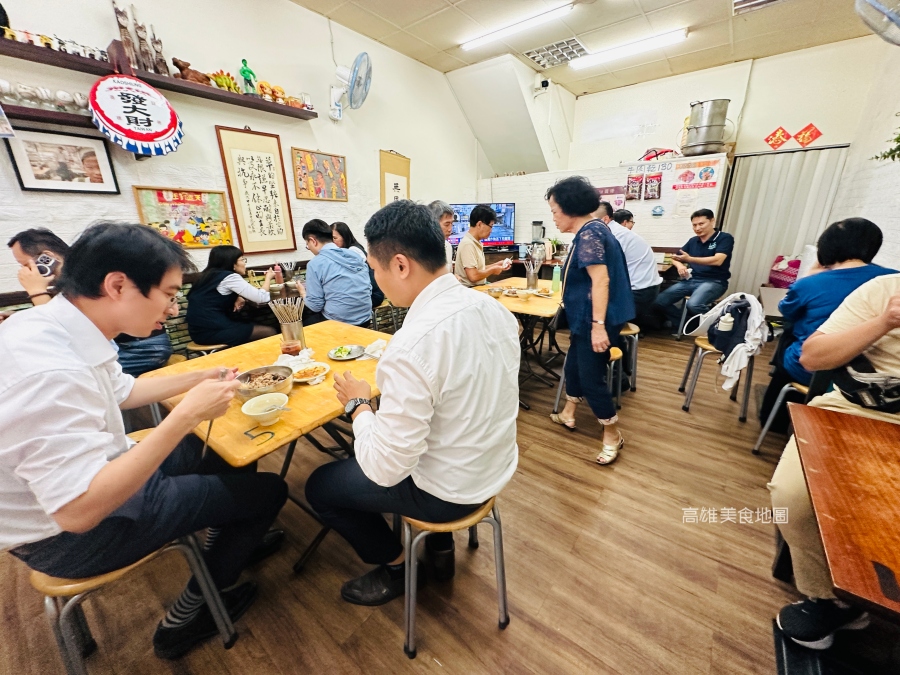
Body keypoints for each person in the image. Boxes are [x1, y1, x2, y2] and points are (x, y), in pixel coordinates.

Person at [0, 222, 288, 660]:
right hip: (68, 537)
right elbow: (78, 510)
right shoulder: (50, 371)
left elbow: (124, 391)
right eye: (170, 295)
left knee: (223, 452)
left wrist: (203, 376)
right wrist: (186, 414)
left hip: (93, 479)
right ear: (118, 285)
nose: (173, 310)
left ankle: (230, 535)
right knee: (270, 491)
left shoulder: (64, 326)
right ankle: (190, 615)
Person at [305, 200, 519, 605]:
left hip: (449, 491)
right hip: (494, 467)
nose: (375, 279)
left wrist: (360, 407)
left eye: (374, 268)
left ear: (400, 265)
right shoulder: (494, 309)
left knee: (318, 486)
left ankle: (399, 565)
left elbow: (385, 469)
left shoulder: (413, 343)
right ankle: (440, 547)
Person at [769, 272, 900, 650]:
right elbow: (812, 355)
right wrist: (886, 321)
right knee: (793, 496)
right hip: (855, 406)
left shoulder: (810, 282)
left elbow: (787, 311)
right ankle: (827, 597)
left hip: (803, 374)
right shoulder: (882, 289)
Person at [759, 218, 895, 430]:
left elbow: (785, 310)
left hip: (818, 369)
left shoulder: (812, 283)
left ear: (825, 250)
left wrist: (810, 274)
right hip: (868, 374)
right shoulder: (890, 280)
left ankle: (773, 418)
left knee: (787, 340)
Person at [546, 177, 635, 465]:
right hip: (586, 317)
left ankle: (612, 434)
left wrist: (598, 326)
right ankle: (569, 413)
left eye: (555, 211)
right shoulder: (594, 229)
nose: (554, 217)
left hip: (595, 319)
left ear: (570, 209)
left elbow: (601, 280)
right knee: (573, 364)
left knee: (590, 377)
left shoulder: (589, 235)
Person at [8, 229, 173, 376]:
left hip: (144, 347)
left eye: (25, 264)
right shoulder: (71, 280)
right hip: (120, 346)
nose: (24, 272)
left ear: (47, 258)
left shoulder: (84, 277)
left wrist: (36, 291)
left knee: (69, 374)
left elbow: (68, 333)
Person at [650, 209, 734, 329]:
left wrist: (689, 259)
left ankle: (720, 327)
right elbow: (675, 257)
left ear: (712, 221)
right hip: (691, 280)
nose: (697, 228)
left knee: (694, 305)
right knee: (658, 301)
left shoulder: (724, 238)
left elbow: (718, 260)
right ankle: (686, 325)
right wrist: (680, 265)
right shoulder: (693, 241)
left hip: (715, 281)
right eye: (694, 225)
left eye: (701, 224)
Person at [186, 246, 277, 347]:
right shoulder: (230, 277)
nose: (244, 263)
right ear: (232, 263)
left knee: (250, 324)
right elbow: (262, 298)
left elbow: (213, 295)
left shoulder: (206, 275)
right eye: (242, 259)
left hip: (199, 331)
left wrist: (237, 296)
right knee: (270, 331)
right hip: (212, 331)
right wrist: (268, 278)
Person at [298, 219, 372, 327]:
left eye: (307, 244)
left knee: (304, 320)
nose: (309, 248)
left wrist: (303, 293)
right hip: (365, 319)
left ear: (313, 240)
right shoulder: (354, 255)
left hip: (339, 323)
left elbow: (315, 305)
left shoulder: (315, 264)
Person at [607, 207, 662, 321]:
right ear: (625, 222)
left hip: (639, 292)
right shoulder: (622, 234)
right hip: (647, 289)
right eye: (632, 222)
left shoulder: (618, 235)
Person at [453, 204, 510, 287]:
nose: (491, 230)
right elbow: (473, 276)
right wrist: (493, 270)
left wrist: (497, 265)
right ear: (479, 224)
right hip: (470, 292)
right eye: (491, 226)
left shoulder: (475, 242)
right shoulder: (468, 244)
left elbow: (478, 270)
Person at [332, 221, 385, 308]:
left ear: (344, 237)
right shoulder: (347, 251)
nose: (332, 242)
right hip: (365, 294)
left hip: (373, 295)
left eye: (334, 238)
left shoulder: (353, 251)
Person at [427, 200, 456, 273]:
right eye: (446, 224)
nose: (450, 229)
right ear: (433, 224)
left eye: (452, 224)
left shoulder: (448, 246)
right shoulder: (423, 249)